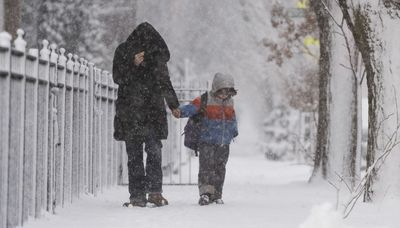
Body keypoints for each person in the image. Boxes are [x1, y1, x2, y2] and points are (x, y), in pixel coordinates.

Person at [112, 22, 181, 207]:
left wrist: (174, 105)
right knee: (137, 155)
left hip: (149, 113)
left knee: (152, 152)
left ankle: (153, 192)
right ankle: (138, 195)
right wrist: (132, 64)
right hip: (132, 113)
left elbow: (165, 82)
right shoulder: (124, 52)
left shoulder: (156, 58)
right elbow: (118, 77)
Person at [175, 73, 238, 205]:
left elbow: (232, 118)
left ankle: (217, 194)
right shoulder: (205, 99)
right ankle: (205, 193)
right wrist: (180, 112)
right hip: (207, 141)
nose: (224, 95)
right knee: (206, 167)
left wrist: (233, 131)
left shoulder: (230, 102)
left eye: (228, 92)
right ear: (216, 88)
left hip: (223, 142)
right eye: (222, 91)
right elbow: (192, 108)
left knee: (220, 168)